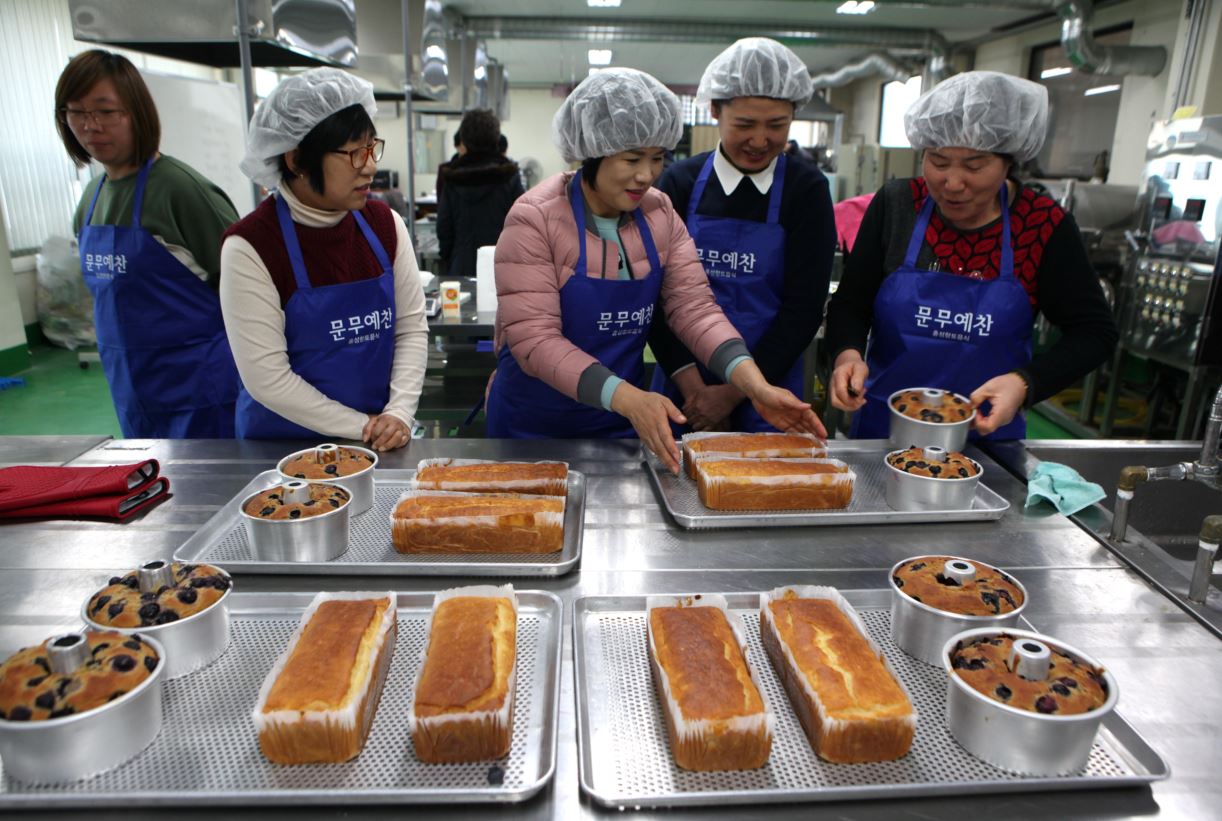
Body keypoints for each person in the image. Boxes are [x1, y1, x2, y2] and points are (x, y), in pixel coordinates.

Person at [486, 68, 825, 472]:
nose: (646, 175)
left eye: (657, 158)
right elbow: (534, 342)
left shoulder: (659, 213)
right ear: (592, 152)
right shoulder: (535, 218)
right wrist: (630, 398)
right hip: (533, 426)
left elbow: (694, 309)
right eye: (631, 159)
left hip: (621, 424)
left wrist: (755, 386)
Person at [825, 71, 1118, 439]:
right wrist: (847, 355)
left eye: (975, 165)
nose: (952, 182)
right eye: (938, 161)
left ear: (1009, 161)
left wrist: (1024, 383)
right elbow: (851, 303)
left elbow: (1094, 333)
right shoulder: (898, 205)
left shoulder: (1042, 224)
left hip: (988, 440)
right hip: (885, 431)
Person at [220, 68, 429, 450]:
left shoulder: (384, 225)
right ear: (297, 159)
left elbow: (411, 328)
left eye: (371, 148)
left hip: (376, 443)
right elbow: (268, 378)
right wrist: (364, 426)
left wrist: (399, 413)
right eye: (352, 153)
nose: (369, 165)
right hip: (282, 449)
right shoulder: (251, 246)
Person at [649, 38, 836, 433]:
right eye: (745, 124)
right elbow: (655, 294)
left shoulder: (806, 189)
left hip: (770, 388)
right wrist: (694, 389)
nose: (759, 140)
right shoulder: (678, 183)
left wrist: (736, 392)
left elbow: (804, 308)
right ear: (715, 111)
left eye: (777, 125)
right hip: (684, 386)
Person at [56, 49, 240, 438]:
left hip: (203, 390)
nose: (91, 126)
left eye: (106, 111)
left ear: (137, 112)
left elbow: (250, 285)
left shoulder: (180, 190)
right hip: (133, 389)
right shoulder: (91, 199)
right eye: (76, 112)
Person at [436, 109, 524, 277]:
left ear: (464, 140)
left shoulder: (452, 177)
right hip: (503, 266)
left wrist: (449, 258)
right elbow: (522, 224)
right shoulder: (509, 175)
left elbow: (444, 227)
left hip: (462, 266)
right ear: (496, 138)